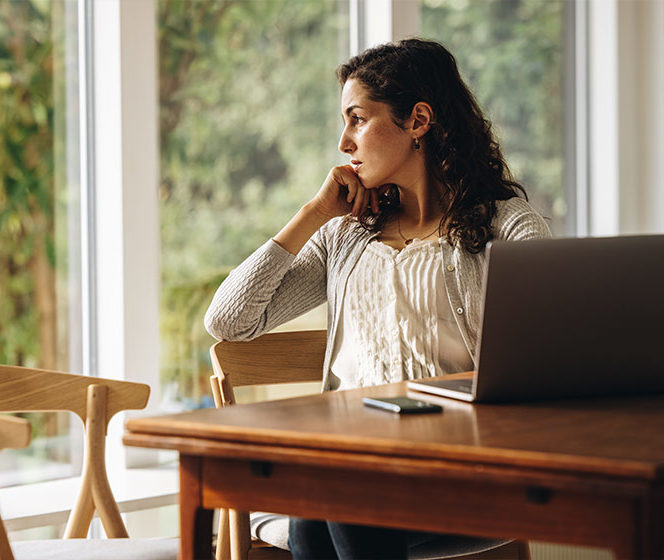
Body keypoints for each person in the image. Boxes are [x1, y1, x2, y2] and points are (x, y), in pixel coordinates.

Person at [204, 38, 551, 560]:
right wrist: (312, 214)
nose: (344, 142)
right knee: (325, 503)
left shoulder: (508, 228)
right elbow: (229, 320)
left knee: (328, 507)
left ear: (419, 120)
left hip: (461, 468)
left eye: (358, 119)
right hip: (347, 465)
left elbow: (551, 351)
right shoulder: (345, 236)